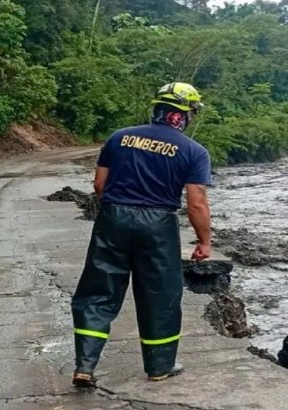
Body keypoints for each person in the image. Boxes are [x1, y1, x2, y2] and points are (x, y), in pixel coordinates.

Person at [71, 82, 213, 387]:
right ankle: (159, 367)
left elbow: (99, 185)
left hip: (113, 218)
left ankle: (85, 364)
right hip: (158, 225)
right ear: (186, 114)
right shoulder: (194, 151)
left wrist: (120, 208)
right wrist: (204, 241)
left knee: (98, 291)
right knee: (159, 295)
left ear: (157, 108)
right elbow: (196, 203)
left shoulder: (119, 138)